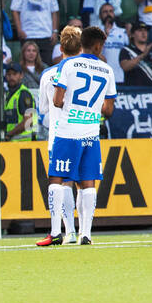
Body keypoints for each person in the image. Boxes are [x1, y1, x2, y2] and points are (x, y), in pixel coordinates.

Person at [47, 25, 116, 245]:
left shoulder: (68, 64)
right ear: (97, 45)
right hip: (91, 134)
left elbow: (57, 101)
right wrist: (91, 109)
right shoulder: (107, 70)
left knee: (58, 179)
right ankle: (86, 233)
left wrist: (72, 106)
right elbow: (108, 110)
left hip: (67, 132)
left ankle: (57, 231)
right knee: (88, 183)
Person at [36, 26, 79, 246]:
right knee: (82, 183)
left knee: (61, 183)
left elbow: (42, 109)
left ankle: (66, 231)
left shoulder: (48, 74)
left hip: (58, 135)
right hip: (84, 132)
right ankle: (84, 231)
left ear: (60, 48)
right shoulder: (88, 71)